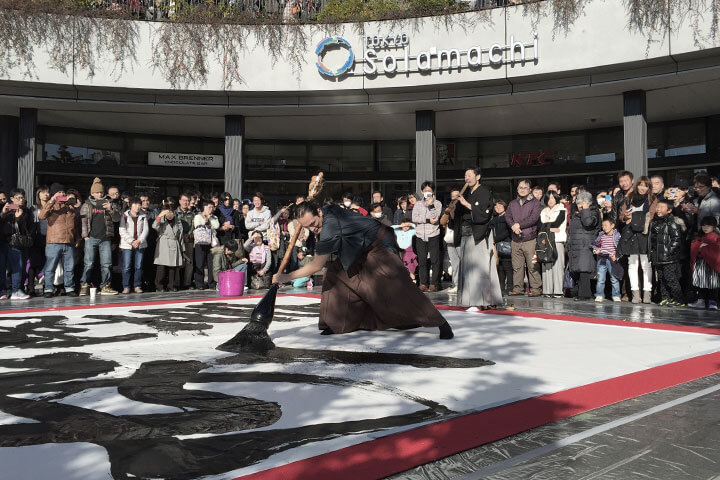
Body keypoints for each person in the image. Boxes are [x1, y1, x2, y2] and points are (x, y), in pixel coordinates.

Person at [273, 200, 453, 338]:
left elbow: (317, 265)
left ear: (319, 212)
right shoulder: (327, 210)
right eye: (307, 227)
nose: (313, 229)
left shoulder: (329, 225)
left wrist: (286, 277)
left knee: (393, 285)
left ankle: (439, 321)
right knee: (335, 275)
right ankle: (335, 322)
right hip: (359, 249)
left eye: (313, 223)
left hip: (379, 244)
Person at [453, 167, 503, 310]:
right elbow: (459, 216)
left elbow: (484, 215)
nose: (467, 178)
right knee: (468, 269)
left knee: (479, 268)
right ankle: (474, 300)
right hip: (465, 234)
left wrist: (466, 204)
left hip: (477, 235)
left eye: (469, 175)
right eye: (465, 176)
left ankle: (478, 301)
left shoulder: (485, 193)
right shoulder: (466, 193)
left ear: (478, 176)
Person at [617, 176, 656, 304]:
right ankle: (635, 293)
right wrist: (626, 217)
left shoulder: (652, 199)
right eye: (640, 185)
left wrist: (633, 218)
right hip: (631, 234)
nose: (642, 188)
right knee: (632, 264)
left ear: (649, 188)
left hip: (645, 234)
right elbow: (621, 216)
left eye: (645, 185)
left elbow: (652, 216)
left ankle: (647, 293)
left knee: (646, 265)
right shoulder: (629, 198)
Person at [79, 177, 121, 296]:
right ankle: (84, 285)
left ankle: (105, 286)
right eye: (97, 192)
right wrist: (85, 235)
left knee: (107, 264)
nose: (99, 194)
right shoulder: (87, 204)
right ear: (92, 193)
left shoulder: (109, 203)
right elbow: (83, 221)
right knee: (88, 263)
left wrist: (110, 209)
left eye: (101, 192)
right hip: (91, 237)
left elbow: (117, 218)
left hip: (105, 238)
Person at [39, 183, 80, 298]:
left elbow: (75, 224)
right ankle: (48, 289)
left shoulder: (70, 207)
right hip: (54, 241)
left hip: (69, 241)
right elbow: (42, 216)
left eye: (63, 192)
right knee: (50, 267)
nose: (62, 194)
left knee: (69, 267)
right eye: (59, 192)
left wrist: (77, 238)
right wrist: (53, 199)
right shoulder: (51, 206)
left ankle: (69, 288)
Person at [505, 179, 542, 296]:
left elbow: (534, 218)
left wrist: (519, 225)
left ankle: (536, 289)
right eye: (520, 187)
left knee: (532, 266)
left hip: (529, 238)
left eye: (525, 187)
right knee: (517, 267)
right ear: (517, 189)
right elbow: (508, 216)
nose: (522, 189)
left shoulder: (535, 203)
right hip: (515, 239)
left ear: (530, 189)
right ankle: (518, 288)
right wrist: (513, 226)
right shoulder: (512, 203)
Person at [649, 200, 687, 307]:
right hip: (658, 257)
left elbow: (676, 239)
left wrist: (669, 251)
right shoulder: (655, 222)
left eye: (662, 207)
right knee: (661, 279)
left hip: (669, 258)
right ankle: (665, 298)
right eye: (658, 207)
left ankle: (679, 299)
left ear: (669, 210)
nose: (658, 209)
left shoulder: (672, 223)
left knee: (671, 279)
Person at [567, 191, 601, 300]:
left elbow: (588, 223)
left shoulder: (593, 212)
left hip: (585, 245)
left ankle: (585, 294)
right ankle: (578, 292)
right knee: (577, 270)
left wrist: (586, 209)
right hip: (576, 245)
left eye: (582, 203)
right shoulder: (577, 214)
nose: (580, 206)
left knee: (584, 270)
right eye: (578, 203)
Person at [1, 189, 34, 300]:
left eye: (22, 197)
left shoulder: (26, 211)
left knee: (19, 267)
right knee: (6, 268)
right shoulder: (7, 209)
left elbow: (27, 227)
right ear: (12, 199)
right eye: (18, 198)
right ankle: (6, 290)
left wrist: (19, 218)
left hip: (18, 243)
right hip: (5, 242)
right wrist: (3, 213)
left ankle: (16, 290)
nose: (21, 200)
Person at [412, 181, 442, 292]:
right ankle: (423, 283)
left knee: (435, 259)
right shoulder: (417, 204)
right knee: (422, 260)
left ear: (433, 191)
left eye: (429, 191)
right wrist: (427, 220)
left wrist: (431, 205)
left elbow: (436, 218)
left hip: (433, 234)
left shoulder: (437, 203)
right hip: (420, 235)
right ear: (421, 192)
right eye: (425, 191)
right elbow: (414, 218)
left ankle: (434, 283)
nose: (427, 193)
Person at [539, 191, 567, 297]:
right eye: (548, 198)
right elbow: (540, 226)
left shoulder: (562, 210)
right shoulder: (543, 211)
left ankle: (558, 291)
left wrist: (548, 225)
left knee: (557, 266)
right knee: (546, 265)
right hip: (545, 241)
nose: (551, 200)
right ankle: (547, 290)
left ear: (556, 198)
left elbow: (557, 224)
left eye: (553, 198)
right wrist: (550, 227)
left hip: (557, 241)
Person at [689, 216, 720, 310]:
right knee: (700, 282)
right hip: (700, 263)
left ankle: (713, 302)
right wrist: (700, 246)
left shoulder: (716, 237)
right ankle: (701, 300)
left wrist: (703, 248)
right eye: (704, 225)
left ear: (714, 227)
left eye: (708, 226)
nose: (705, 228)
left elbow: (716, 250)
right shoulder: (699, 236)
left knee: (712, 283)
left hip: (711, 265)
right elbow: (695, 246)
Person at [118, 197, 148, 294]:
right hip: (127, 245)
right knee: (126, 266)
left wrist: (139, 240)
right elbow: (122, 230)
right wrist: (132, 241)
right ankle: (126, 286)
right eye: (135, 204)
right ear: (130, 206)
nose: (137, 206)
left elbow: (146, 230)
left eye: (139, 204)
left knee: (138, 266)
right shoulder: (124, 216)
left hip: (140, 244)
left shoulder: (143, 216)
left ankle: (137, 286)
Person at [153, 200, 184, 292]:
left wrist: (183, 249)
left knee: (173, 267)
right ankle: (159, 286)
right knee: (161, 267)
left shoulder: (178, 221)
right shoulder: (162, 220)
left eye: (172, 212)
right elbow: (154, 226)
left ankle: (171, 285)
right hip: (163, 245)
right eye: (168, 212)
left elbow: (180, 236)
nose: (170, 214)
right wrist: (160, 215)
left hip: (174, 244)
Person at [27, 185, 51, 296]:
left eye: (47, 192)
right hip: (36, 238)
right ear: (38, 194)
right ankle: (30, 287)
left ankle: (48, 287)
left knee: (48, 263)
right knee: (33, 263)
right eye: (43, 192)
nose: (46, 194)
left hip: (50, 238)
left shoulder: (53, 207)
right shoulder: (33, 208)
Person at [593, 218, 622, 302]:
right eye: (602, 226)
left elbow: (620, 247)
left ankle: (616, 295)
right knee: (600, 278)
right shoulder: (601, 235)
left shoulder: (617, 235)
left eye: (606, 225)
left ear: (612, 226)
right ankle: (599, 294)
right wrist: (596, 250)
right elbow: (595, 244)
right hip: (602, 258)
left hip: (612, 259)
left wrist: (617, 256)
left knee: (614, 278)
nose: (604, 227)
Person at [193, 200, 220, 290]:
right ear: (204, 207)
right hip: (200, 242)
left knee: (211, 263)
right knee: (199, 263)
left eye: (212, 207)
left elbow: (216, 226)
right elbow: (197, 225)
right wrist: (206, 219)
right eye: (209, 207)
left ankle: (211, 283)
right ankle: (199, 284)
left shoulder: (214, 217)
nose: (211, 209)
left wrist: (209, 218)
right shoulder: (198, 216)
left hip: (211, 243)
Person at [489, 200, 512, 296]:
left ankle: (510, 287)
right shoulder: (495, 218)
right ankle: (501, 288)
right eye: (496, 206)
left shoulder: (508, 217)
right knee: (500, 267)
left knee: (508, 267)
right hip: (497, 244)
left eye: (500, 206)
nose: (498, 207)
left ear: (505, 206)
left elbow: (507, 232)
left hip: (505, 243)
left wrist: (495, 239)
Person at [175, 193, 196, 290]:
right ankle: (176, 283)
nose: (186, 202)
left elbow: (193, 226)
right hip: (177, 241)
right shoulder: (175, 213)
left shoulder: (192, 214)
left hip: (189, 240)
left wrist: (189, 235)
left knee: (189, 262)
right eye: (184, 200)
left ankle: (187, 283)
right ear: (179, 201)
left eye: (187, 200)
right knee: (177, 262)